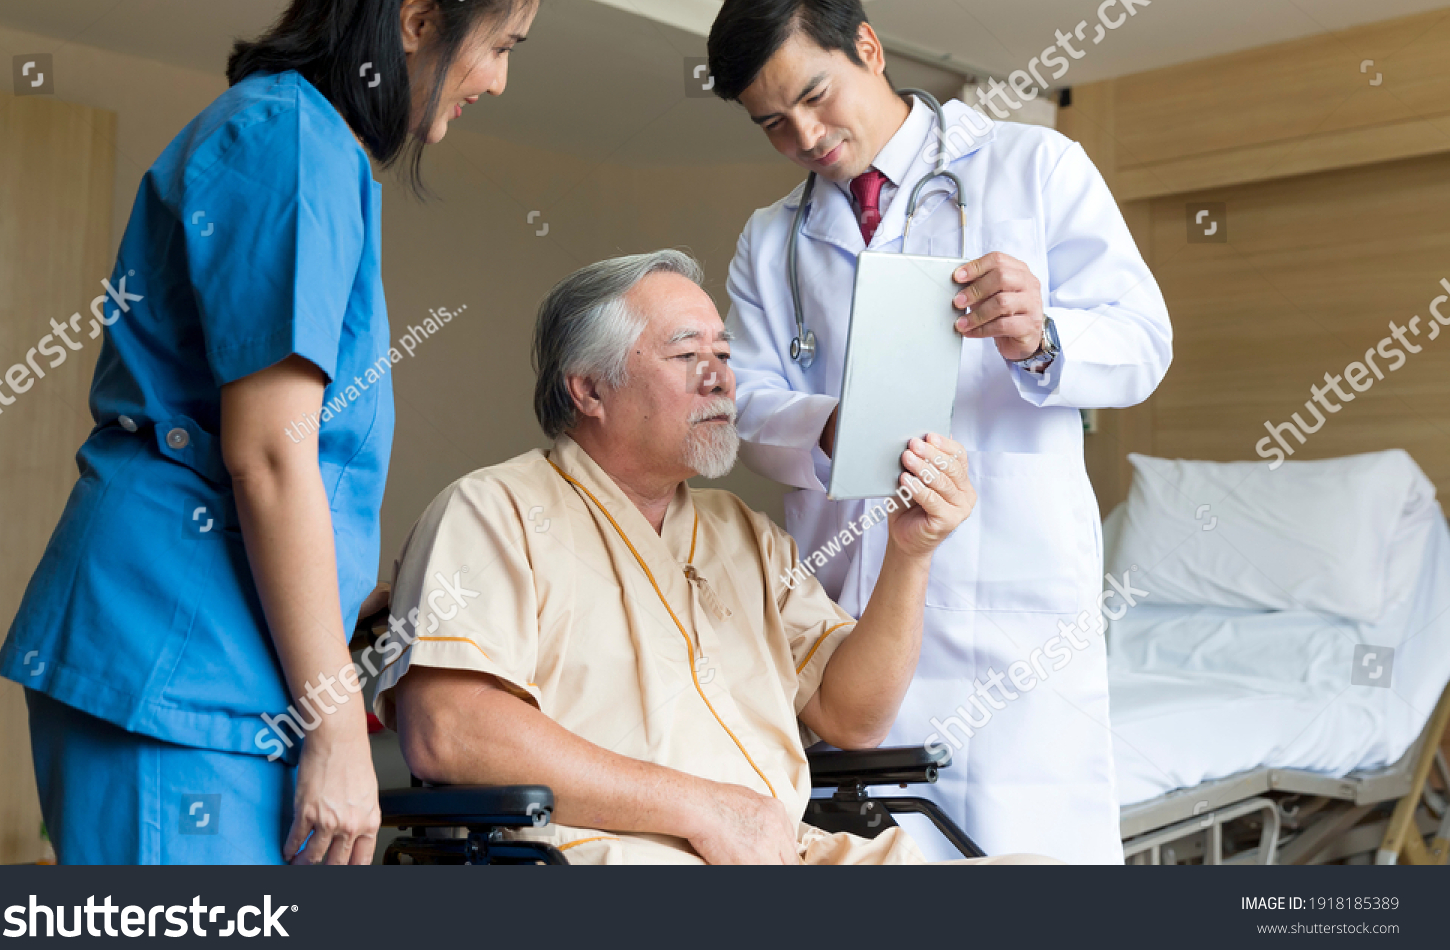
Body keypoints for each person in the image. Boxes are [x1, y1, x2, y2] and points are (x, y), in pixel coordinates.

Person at [0, 0, 552, 865]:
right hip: (178, 666)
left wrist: (352, 614)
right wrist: (339, 726)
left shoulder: (311, 149)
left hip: (214, 673)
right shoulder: (292, 142)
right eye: (501, 46)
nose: (500, 81)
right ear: (418, 21)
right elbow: (271, 456)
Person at [706, 0, 1173, 862]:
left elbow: (1144, 342)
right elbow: (746, 407)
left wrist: (1043, 335)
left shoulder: (1033, 167)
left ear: (868, 48)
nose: (804, 134)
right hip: (857, 624)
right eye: (772, 123)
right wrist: (830, 427)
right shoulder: (771, 242)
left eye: (814, 96)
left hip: (1014, 613)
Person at [373, 251, 1053, 865]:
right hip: (613, 856)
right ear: (588, 390)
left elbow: (853, 716)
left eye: (725, 355)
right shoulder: (494, 511)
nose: (720, 378)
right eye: (686, 354)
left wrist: (912, 552)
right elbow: (450, 729)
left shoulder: (742, 533)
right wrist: (700, 806)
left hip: (785, 853)